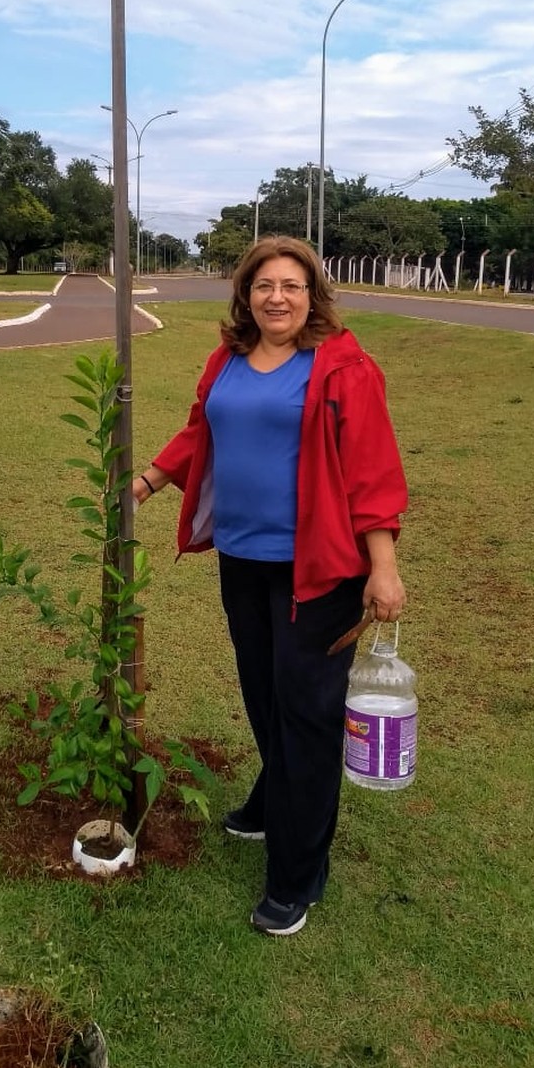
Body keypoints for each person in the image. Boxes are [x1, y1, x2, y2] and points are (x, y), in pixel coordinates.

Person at [134, 235, 407, 936]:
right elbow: (203, 432)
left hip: (318, 571)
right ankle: (271, 796)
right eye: (264, 286)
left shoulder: (343, 367)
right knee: (263, 692)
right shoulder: (226, 359)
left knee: (308, 713)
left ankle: (297, 874)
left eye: (291, 285)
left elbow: (372, 472)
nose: (276, 297)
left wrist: (384, 566)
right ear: (246, 295)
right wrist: (147, 481)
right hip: (243, 560)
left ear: (312, 294)